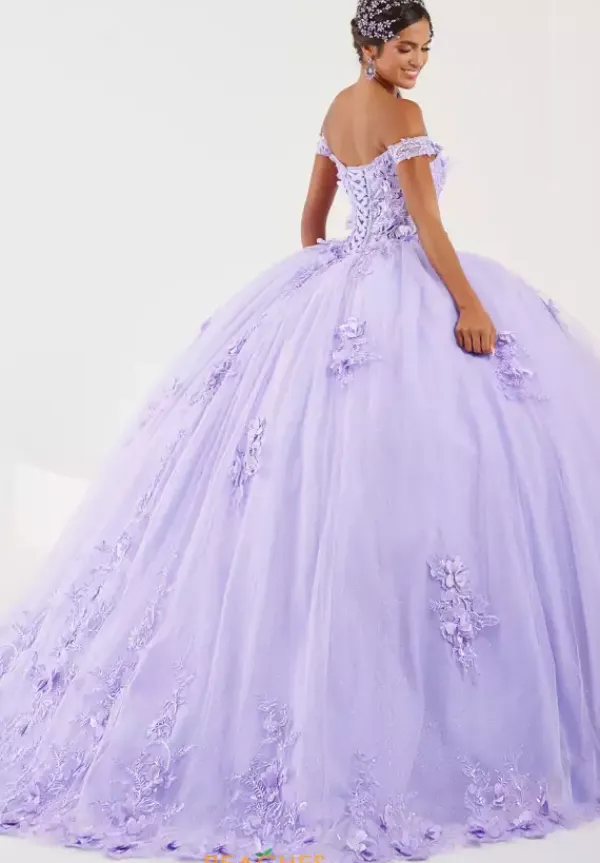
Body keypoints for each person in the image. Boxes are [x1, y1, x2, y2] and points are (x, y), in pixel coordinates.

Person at [1, 1, 600, 860]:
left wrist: (336, 280)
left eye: (426, 49)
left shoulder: (337, 108)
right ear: (369, 45)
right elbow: (429, 226)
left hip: (335, 286)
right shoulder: (402, 116)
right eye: (405, 47)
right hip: (407, 285)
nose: (418, 62)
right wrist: (468, 304)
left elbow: (312, 224)